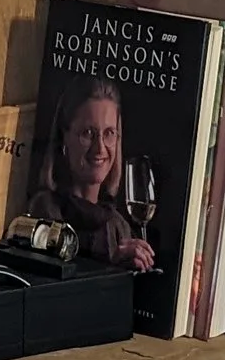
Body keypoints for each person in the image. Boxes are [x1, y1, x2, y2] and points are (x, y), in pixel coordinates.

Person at [27, 79, 154, 270]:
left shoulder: (119, 226)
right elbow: (56, 291)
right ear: (64, 139)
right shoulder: (44, 212)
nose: (100, 148)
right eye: (87, 133)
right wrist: (110, 268)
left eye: (109, 133)